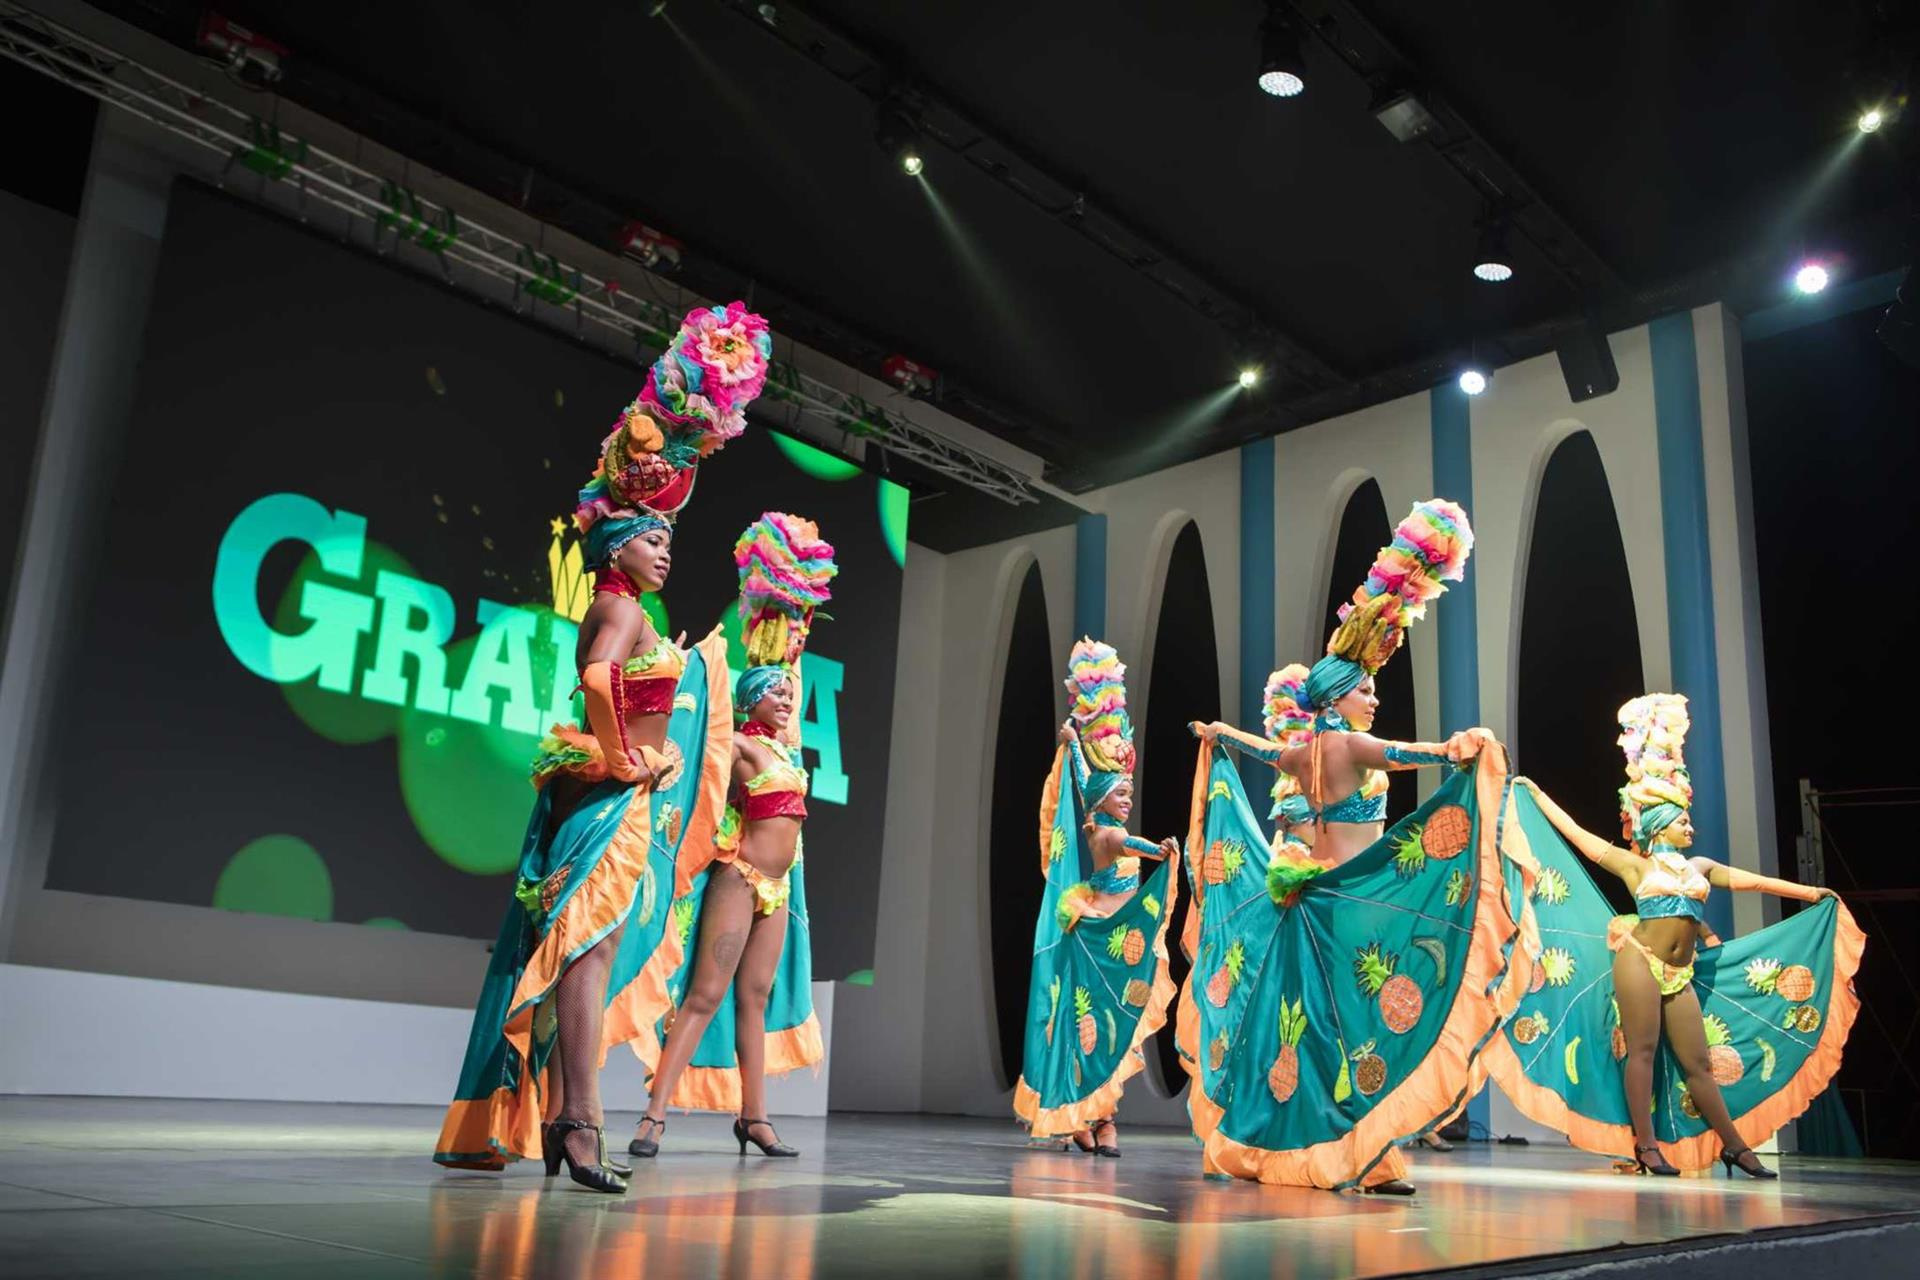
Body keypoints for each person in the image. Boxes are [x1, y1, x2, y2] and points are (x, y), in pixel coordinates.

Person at [433, 303, 770, 1192]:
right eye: (654, 538)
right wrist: (623, 759)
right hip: (608, 802)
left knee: (590, 956)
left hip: (617, 802)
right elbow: (593, 682)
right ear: (621, 546)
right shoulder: (620, 606)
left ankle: (563, 1120)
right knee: (585, 956)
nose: (666, 551)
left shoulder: (636, 610)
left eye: (668, 540)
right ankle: (580, 1123)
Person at [1182, 499, 1526, 1194]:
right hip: (1346, 905)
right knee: (1353, 1026)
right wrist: (1460, 747)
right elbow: (1413, 754)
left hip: (1299, 902)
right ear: (1338, 699)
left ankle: (1287, 1143)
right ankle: (1365, 1156)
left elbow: (1261, 749)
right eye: (1364, 690)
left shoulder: (1300, 752)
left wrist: (1221, 734)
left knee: (1304, 1029)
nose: (1373, 698)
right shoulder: (1352, 744)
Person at [1488, 693, 1864, 1177]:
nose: (1690, 824)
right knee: (1642, 1053)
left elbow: (1750, 881)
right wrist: (1536, 795)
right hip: (1639, 959)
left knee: (1698, 1063)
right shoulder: (1636, 866)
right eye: (1682, 819)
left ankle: (1735, 1146)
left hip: (1678, 973)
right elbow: (1580, 837)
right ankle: (1646, 1146)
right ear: (1660, 824)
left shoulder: (1699, 866)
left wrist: (1810, 892)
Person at [628, 514, 836, 1159]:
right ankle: (653, 1116)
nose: (786, 699)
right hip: (738, 881)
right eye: (774, 692)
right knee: (706, 995)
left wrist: (790, 620)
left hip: (778, 889)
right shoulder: (742, 745)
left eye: (788, 693)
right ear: (750, 700)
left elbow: (789, 664)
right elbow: (700, 740)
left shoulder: (787, 751)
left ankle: (755, 1117)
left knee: (756, 997)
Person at [1014, 639, 1182, 1158]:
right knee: (1100, 1031)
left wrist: (1075, 746)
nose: (1128, 798)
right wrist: (1161, 850)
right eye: (1121, 793)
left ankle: (1096, 1118)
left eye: (1130, 792)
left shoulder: (1099, 818)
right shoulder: (1107, 833)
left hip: (1117, 940)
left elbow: (1089, 781)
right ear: (1104, 800)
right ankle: (1093, 1119)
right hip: (1103, 940)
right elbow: (1132, 842)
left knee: (1110, 1033)